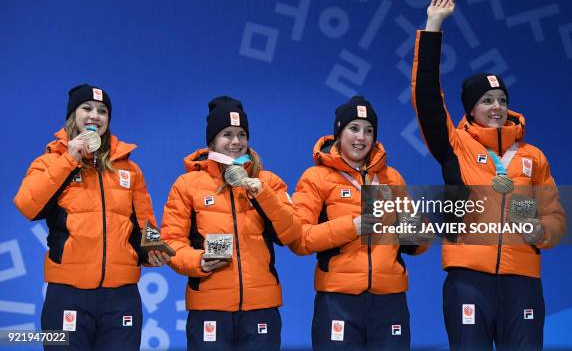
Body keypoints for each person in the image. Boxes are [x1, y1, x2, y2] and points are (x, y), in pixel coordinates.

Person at [411, 0, 566, 350]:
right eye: (487, 101)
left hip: (523, 281)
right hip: (468, 280)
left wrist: (542, 230)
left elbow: (555, 214)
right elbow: (427, 99)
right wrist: (433, 28)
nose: (496, 107)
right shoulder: (457, 146)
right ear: (471, 109)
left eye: (501, 101)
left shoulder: (533, 157)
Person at [13, 84, 170, 351]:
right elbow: (27, 206)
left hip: (121, 297)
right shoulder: (49, 161)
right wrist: (69, 158)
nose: (94, 115)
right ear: (72, 115)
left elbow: (145, 223)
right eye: (86, 108)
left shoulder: (129, 169)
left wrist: (153, 250)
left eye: (102, 111)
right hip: (67, 294)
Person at [161, 96, 302, 351]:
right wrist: (199, 262)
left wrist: (262, 193)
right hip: (209, 308)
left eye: (242, 135)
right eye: (227, 134)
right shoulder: (187, 185)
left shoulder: (267, 181)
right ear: (212, 140)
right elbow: (171, 243)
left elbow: (292, 233)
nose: (236, 142)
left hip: (261, 308)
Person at [289, 95, 427, 350]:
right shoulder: (316, 178)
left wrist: (416, 226)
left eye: (368, 130)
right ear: (339, 134)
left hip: (390, 300)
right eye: (353, 128)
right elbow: (299, 239)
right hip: (338, 300)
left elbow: (416, 245)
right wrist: (352, 227)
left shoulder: (391, 177)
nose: (361, 137)